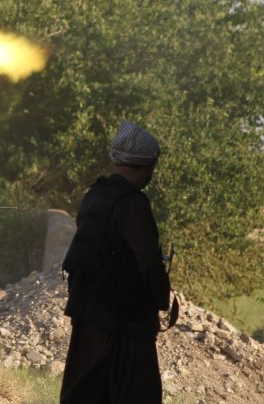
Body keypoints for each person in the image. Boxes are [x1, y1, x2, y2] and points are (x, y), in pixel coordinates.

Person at [59, 120, 172, 404]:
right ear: (149, 167)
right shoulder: (132, 203)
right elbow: (147, 261)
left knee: (87, 391)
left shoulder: (94, 195)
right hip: (124, 320)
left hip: (88, 312)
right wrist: (161, 300)